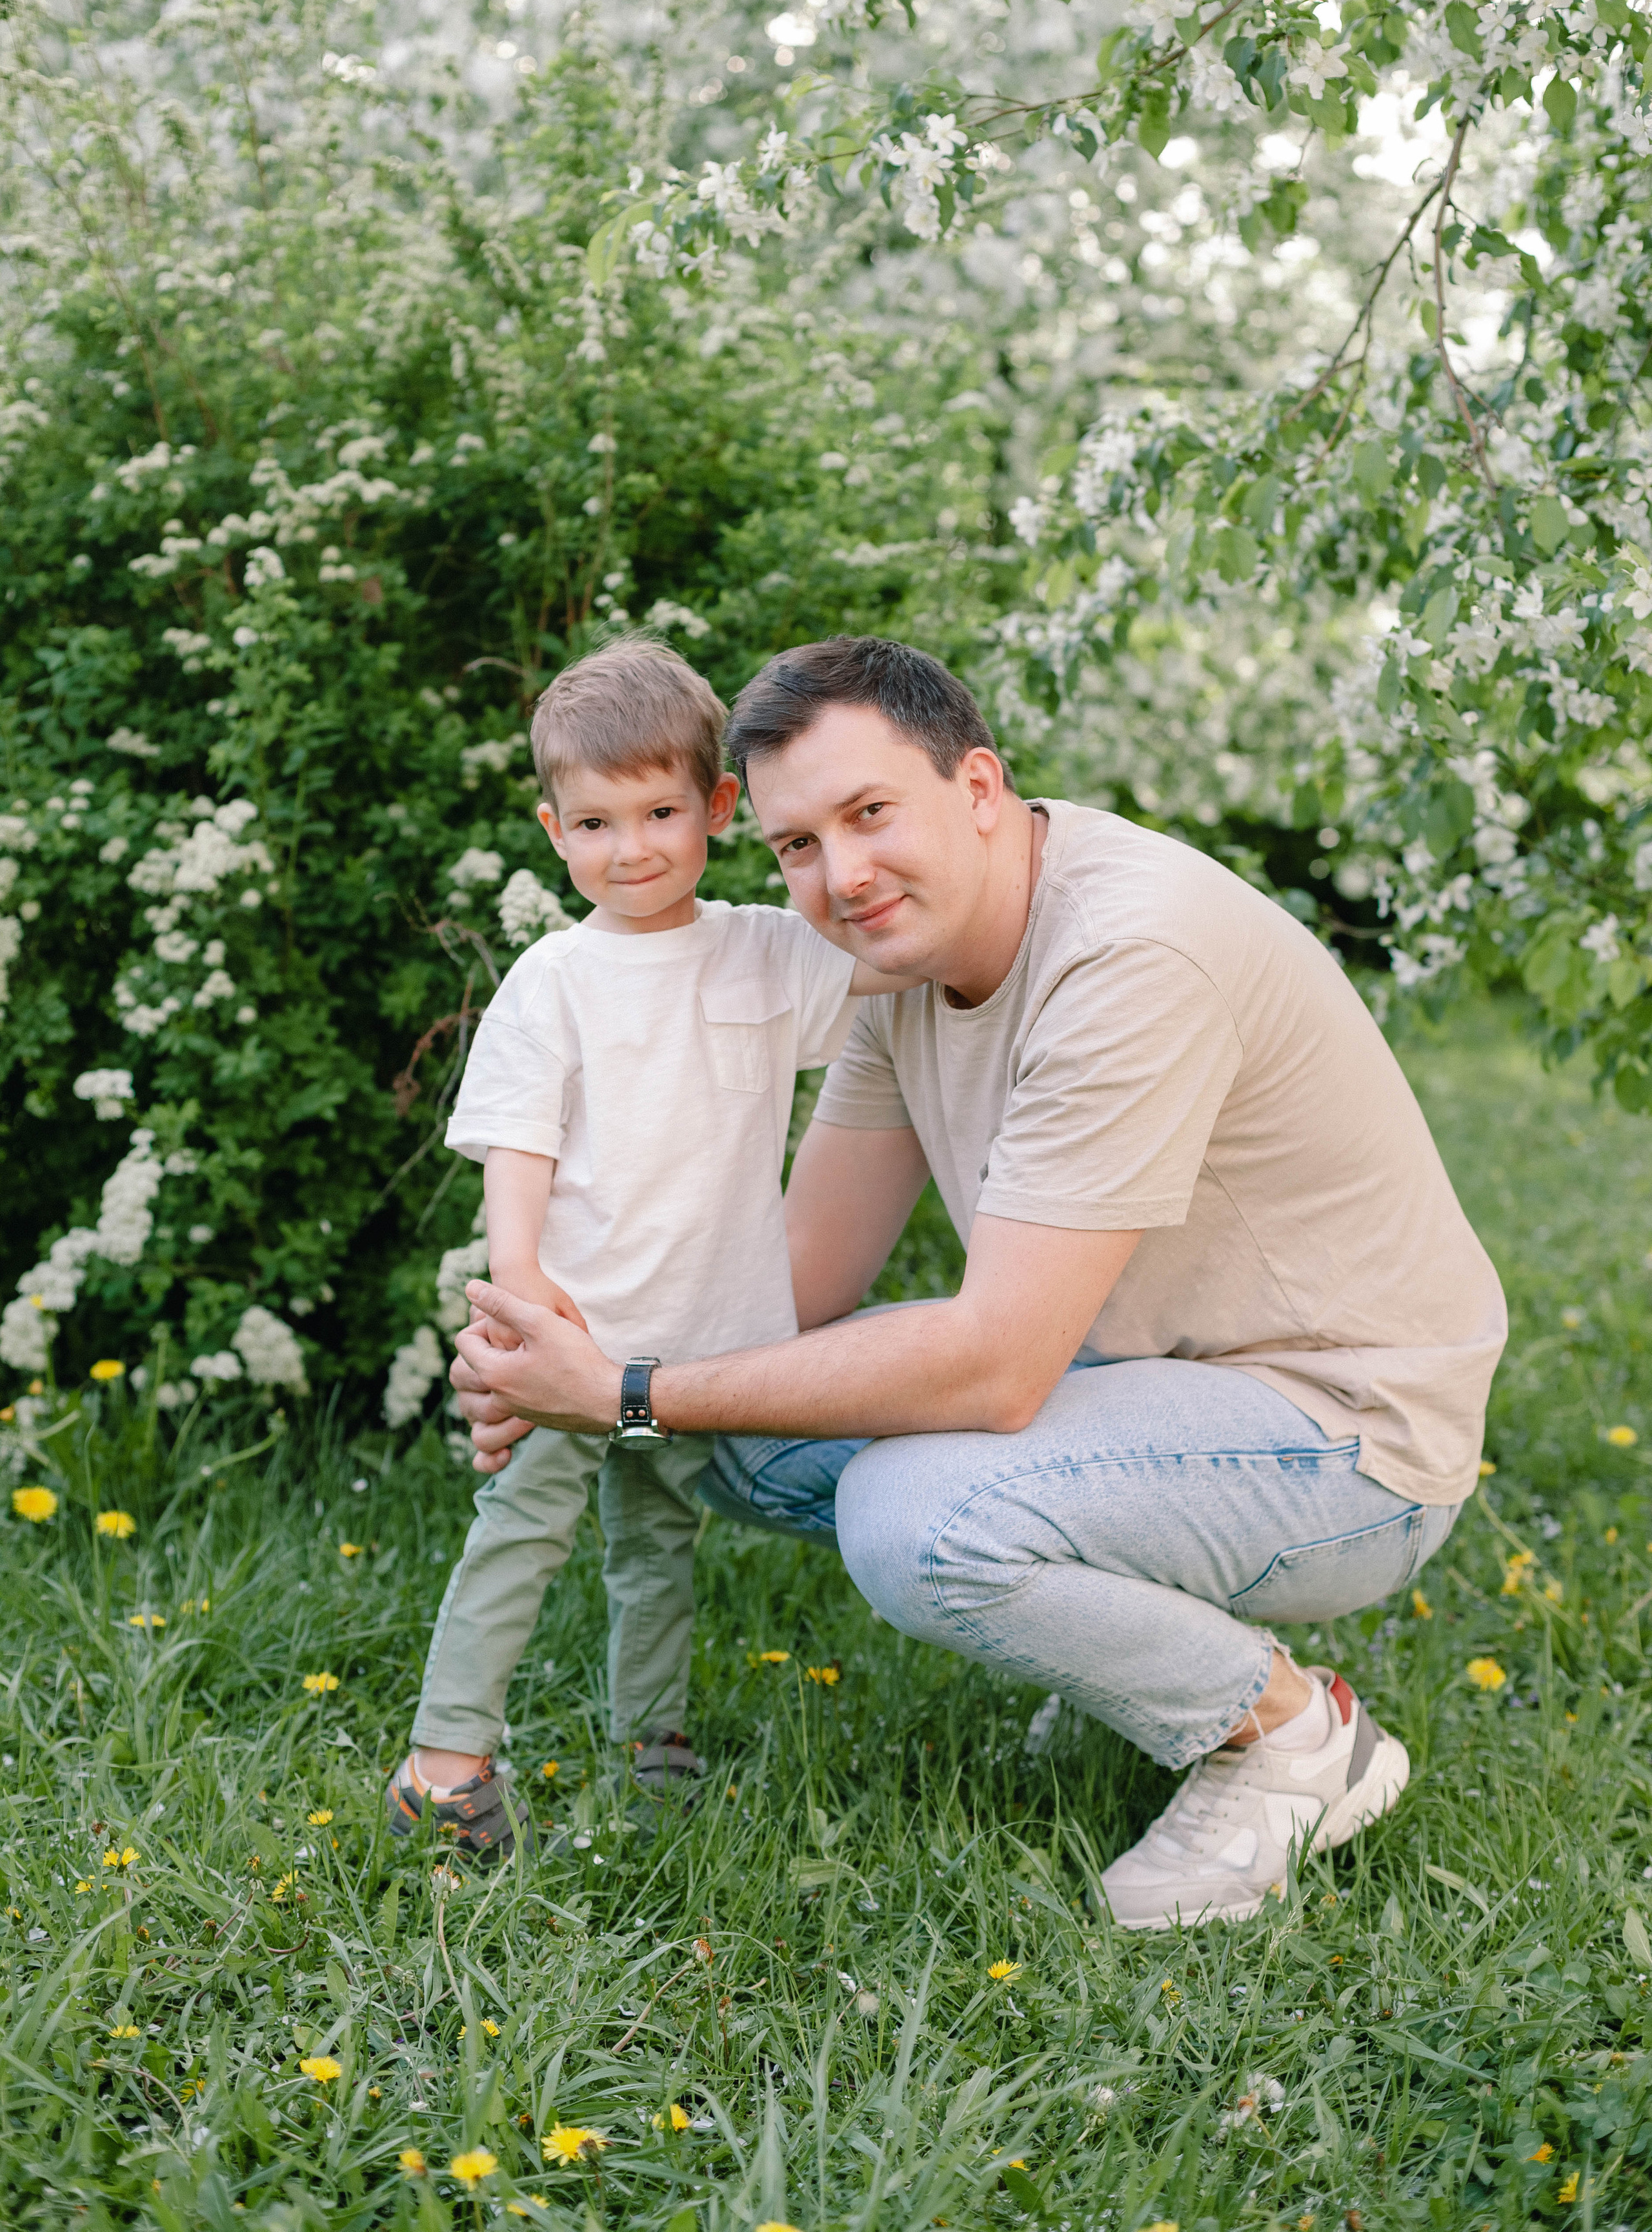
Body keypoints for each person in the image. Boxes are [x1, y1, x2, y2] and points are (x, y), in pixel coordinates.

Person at [448, 636, 1506, 1927]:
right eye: (797, 845)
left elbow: (997, 1368)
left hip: (1348, 1443)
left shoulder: (1127, 955)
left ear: (981, 787)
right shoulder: (904, 962)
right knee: (723, 1425)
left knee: (914, 1517)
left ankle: (1290, 1734)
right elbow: (797, 1279)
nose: (842, 874)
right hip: (1149, 1387)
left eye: (870, 813)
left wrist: (619, 1391)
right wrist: (547, 1357)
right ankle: (1133, 1635)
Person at [386, 638, 910, 1858]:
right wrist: (520, 1282)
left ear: (719, 808)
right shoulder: (556, 979)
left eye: (661, 813)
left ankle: (653, 1740)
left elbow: (904, 964)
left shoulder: (765, 950)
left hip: (696, 1353)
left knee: (657, 1543)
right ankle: (443, 1762)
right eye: (595, 823)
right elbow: (518, 1139)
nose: (632, 849)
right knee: (523, 1531)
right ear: (553, 831)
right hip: (574, 1334)